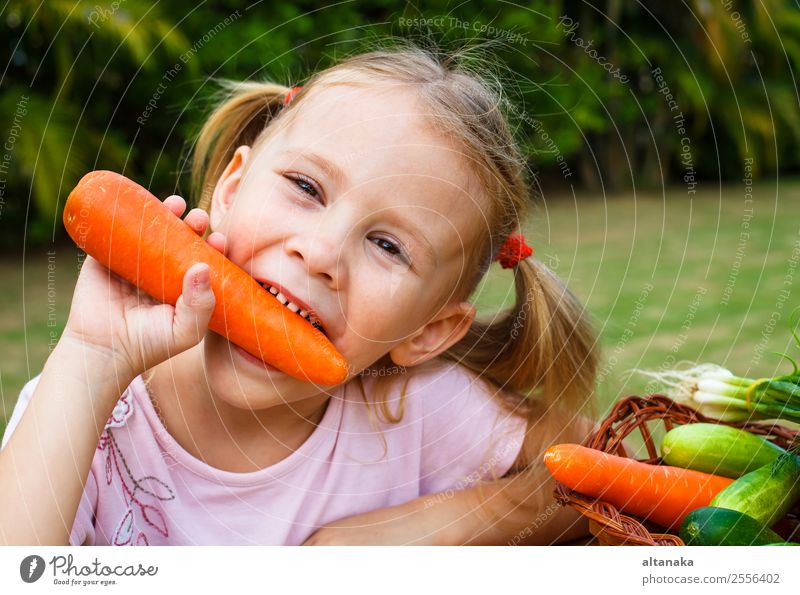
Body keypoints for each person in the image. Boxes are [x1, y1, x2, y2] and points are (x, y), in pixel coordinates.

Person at [0, 43, 599, 546]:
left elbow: (606, 473)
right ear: (232, 189)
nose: (321, 253)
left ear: (427, 331)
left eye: (389, 246)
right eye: (306, 187)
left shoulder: (417, 410)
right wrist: (91, 358)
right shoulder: (84, 411)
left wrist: (414, 531)